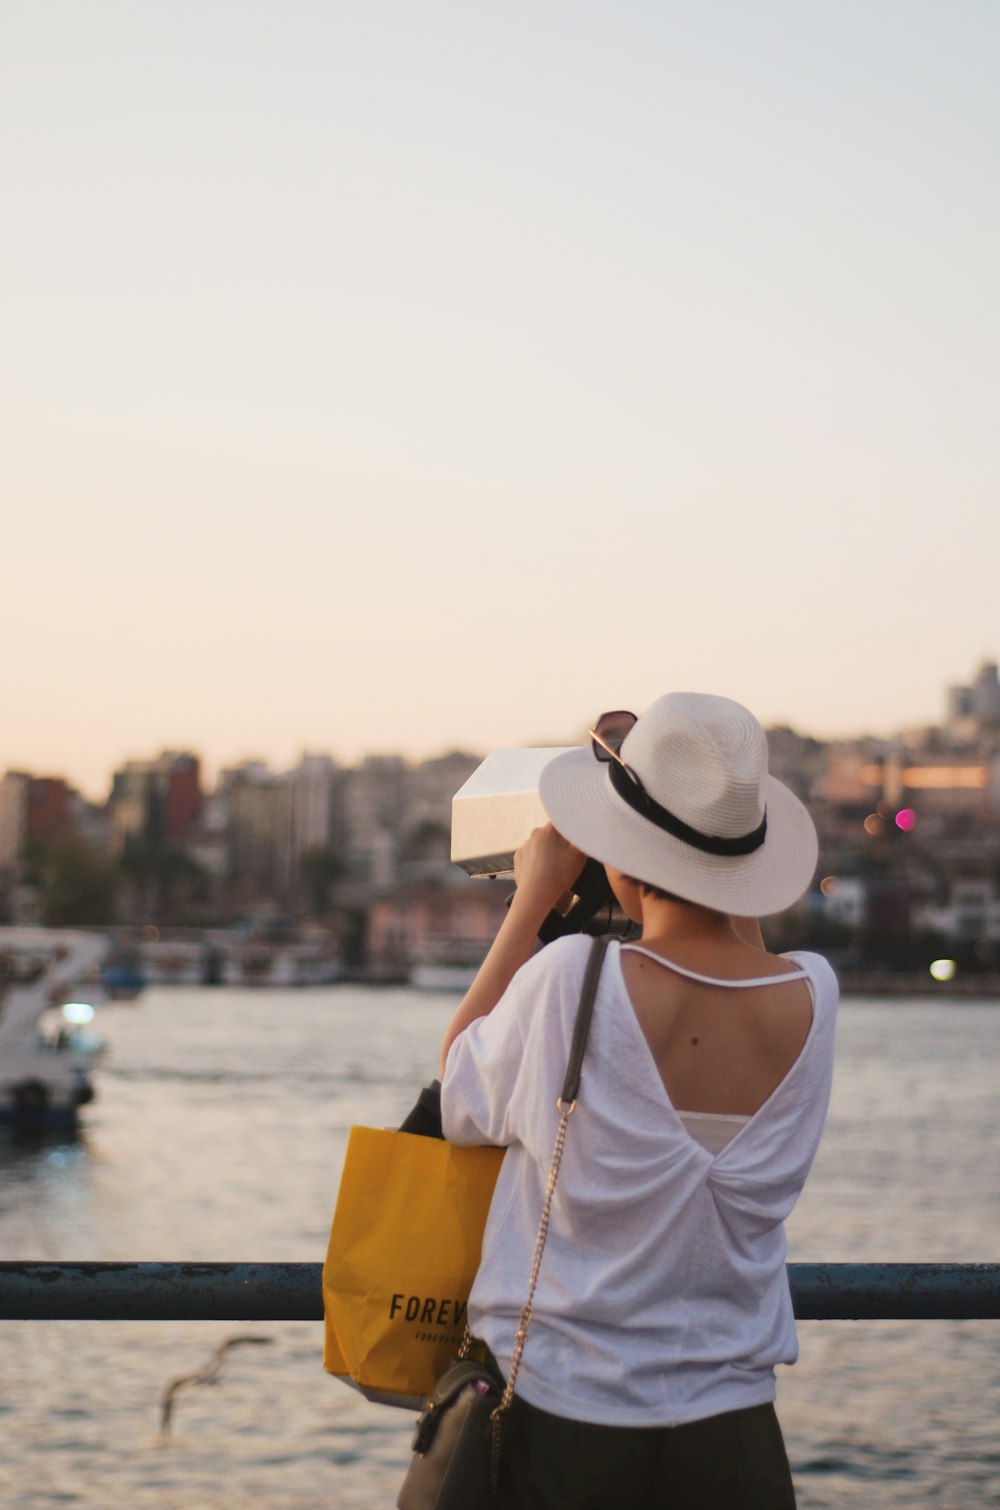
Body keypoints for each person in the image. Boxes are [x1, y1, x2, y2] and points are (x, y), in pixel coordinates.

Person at [438, 692, 838, 1509]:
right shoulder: (813, 994)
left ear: (625, 847)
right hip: (735, 1434)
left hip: (569, 1416)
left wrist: (533, 898)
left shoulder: (572, 978)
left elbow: (459, 1090)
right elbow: (736, 939)